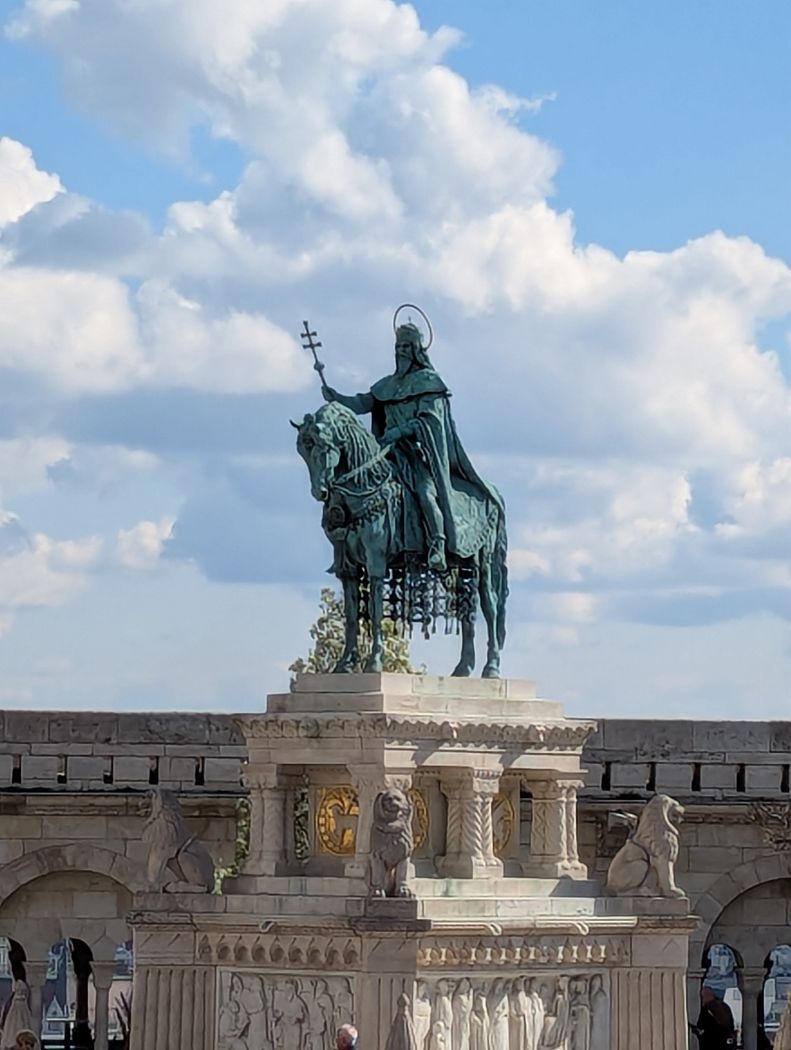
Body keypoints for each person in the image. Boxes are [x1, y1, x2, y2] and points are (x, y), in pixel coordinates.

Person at [323, 322, 503, 572]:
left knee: (425, 492)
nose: (401, 352)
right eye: (398, 347)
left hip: (415, 456)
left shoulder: (429, 383)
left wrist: (398, 432)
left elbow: (428, 422)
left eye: (407, 347)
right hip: (386, 455)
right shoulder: (386, 385)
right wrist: (336, 397)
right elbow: (362, 403)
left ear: (417, 350)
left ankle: (437, 544)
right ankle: (349, 551)